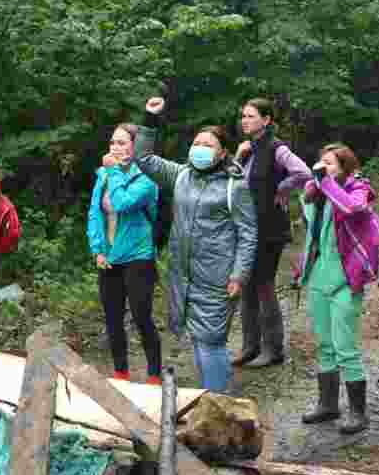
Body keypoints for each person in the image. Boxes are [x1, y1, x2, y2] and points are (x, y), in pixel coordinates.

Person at [133, 100, 258, 393]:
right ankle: (213, 402)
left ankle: (218, 404)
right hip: (184, 277)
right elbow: (143, 157)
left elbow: (248, 233)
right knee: (200, 341)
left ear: (223, 152)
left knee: (211, 341)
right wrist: (150, 119)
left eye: (208, 144)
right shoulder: (181, 176)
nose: (199, 147)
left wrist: (239, 275)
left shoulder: (234, 186)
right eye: (196, 142)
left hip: (218, 278)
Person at [297, 144, 379, 434]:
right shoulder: (315, 195)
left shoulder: (359, 189)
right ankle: (328, 404)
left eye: (330, 164)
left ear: (344, 168)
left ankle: (358, 412)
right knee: (324, 343)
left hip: (347, 278)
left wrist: (327, 185)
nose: (323, 168)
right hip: (319, 276)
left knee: (345, 345)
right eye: (321, 162)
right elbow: (311, 236)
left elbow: (353, 208)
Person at [231, 98, 311, 369]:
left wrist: (282, 189)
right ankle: (249, 346)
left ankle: (272, 349)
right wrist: (239, 156)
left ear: (266, 121)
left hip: (269, 229)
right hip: (246, 229)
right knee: (247, 286)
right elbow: (231, 181)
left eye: (251, 116)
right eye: (243, 115)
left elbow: (303, 173)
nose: (245, 120)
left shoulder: (277, 148)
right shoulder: (247, 149)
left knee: (264, 285)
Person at [88, 104, 163, 384]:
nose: (115, 147)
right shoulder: (104, 176)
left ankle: (154, 375)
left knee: (142, 317)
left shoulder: (146, 179)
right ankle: (120, 373)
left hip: (138, 256)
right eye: (112, 142)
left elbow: (122, 203)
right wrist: (97, 249)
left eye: (121, 143)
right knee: (112, 320)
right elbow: (95, 213)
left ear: (135, 147)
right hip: (109, 256)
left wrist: (115, 172)